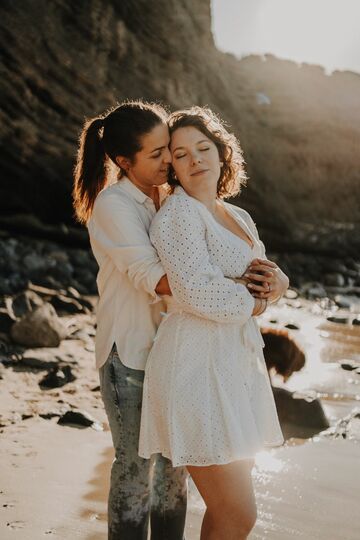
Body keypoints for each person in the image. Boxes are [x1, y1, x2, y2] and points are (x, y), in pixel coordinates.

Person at [138, 106, 289, 539]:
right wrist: (260, 302)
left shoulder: (236, 216)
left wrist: (281, 282)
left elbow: (262, 278)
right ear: (172, 166)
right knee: (237, 511)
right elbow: (199, 294)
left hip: (233, 368)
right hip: (194, 369)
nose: (195, 159)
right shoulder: (178, 217)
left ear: (222, 154)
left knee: (230, 511)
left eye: (203, 148)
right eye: (181, 154)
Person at [72, 100, 189, 540]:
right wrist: (230, 291)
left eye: (168, 148)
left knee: (177, 464)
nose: (169, 159)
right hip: (131, 354)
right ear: (125, 161)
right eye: (156, 153)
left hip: (177, 349)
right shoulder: (113, 205)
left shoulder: (173, 197)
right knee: (135, 466)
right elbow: (154, 278)